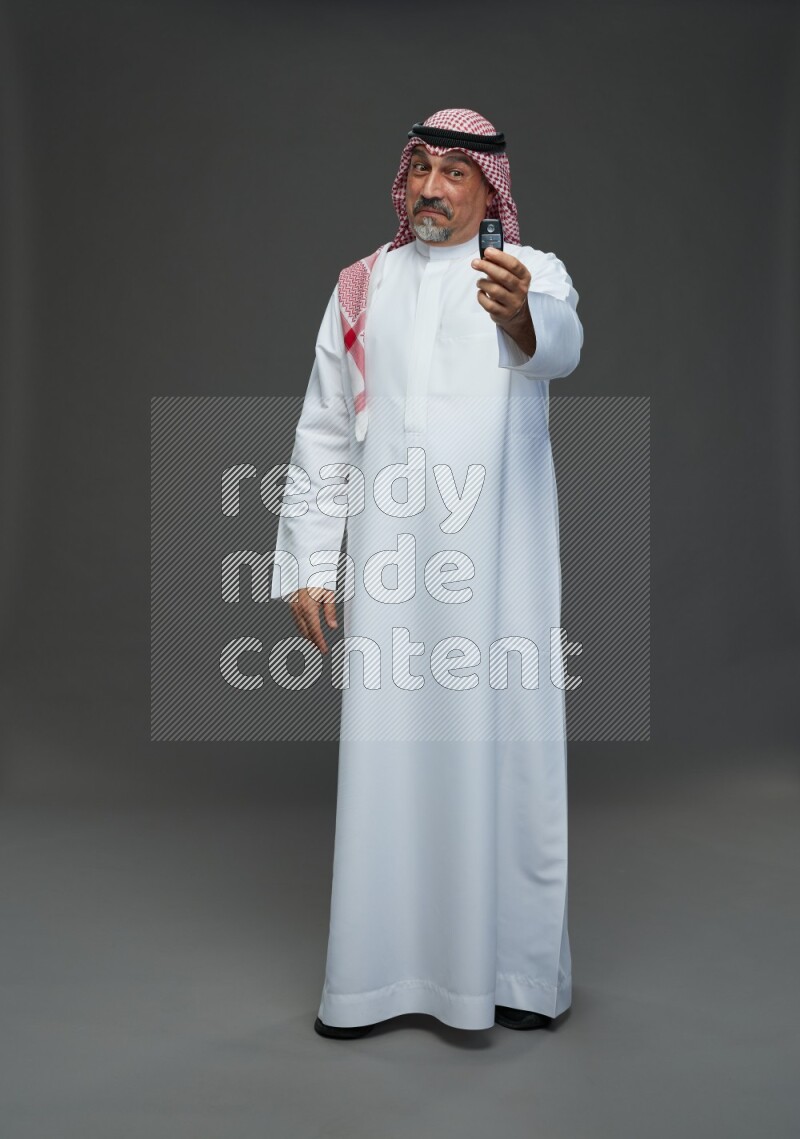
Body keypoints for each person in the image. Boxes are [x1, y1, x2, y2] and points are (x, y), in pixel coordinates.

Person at [270, 108, 584, 1038]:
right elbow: (325, 426)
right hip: (395, 569)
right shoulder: (362, 285)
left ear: (493, 188)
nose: (433, 187)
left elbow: (561, 346)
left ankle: (516, 978)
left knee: (506, 753)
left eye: (455, 171)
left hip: (500, 575)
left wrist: (521, 312)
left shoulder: (529, 273)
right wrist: (308, 561)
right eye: (420, 169)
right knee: (390, 761)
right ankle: (377, 981)